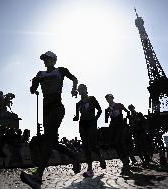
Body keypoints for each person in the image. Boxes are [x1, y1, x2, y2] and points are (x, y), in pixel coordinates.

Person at [20, 51, 80, 189]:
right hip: (45, 110)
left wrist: (74, 89)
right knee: (52, 143)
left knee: (48, 140)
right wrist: (33, 86)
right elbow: (32, 89)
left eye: (48, 59)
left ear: (54, 60)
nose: (45, 61)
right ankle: (74, 155)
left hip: (57, 107)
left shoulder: (61, 70)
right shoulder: (40, 74)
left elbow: (74, 78)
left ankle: (38, 176)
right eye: (44, 59)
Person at [73, 84, 106, 177]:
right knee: (85, 146)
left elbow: (99, 110)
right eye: (79, 89)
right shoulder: (78, 104)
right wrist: (75, 117)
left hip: (91, 123)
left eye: (83, 89)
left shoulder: (92, 99)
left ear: (86, 90)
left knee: (91, 144)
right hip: (82, 124)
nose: (81, 91)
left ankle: (100, 157)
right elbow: (77, 116)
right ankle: (90, 167)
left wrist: (95, 118)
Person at [105, 94, 133, 172]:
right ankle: (124, 160)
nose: (108, 100)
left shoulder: (119, 105)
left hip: (121, 125)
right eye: (107, 99)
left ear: (113, 98)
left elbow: (127, 112)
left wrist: (126, 120)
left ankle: (126, 160)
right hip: (113, 127)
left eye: (110, 98)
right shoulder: (107, 109)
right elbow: (106, 120)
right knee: (116, 144)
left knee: (120, 141)